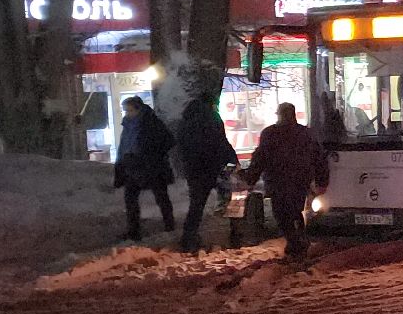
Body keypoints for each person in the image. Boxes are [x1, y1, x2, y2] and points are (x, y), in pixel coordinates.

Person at [243, 102, 330, 261]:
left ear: (279, 115)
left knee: (282, 215)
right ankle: (299, 241)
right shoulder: (306, 134)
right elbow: (320, 160)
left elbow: (259, 159)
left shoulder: (270, 134)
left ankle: (295, 243)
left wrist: (250, 178)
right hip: (300, 181)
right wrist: (322, 181)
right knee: (296, 211)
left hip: (277, 182)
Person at [176, 95, 237, 253]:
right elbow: (221, 142)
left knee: (196, 205)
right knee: (229, 200)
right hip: (214, 167)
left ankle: (188, 238)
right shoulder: (212, 118)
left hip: (194, 170)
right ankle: (233, 234)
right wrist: (232, 160)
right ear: (211, 104)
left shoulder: (185, 121)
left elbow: (181, 148)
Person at [113, 96, 176, 241]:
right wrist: (121, 164)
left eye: (129, 110)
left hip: (151, 166)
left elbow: (168, 141)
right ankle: (134, 231)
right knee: (131, 198)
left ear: (138, 109)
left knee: (160, 196)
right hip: (132, 165)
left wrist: (152, 154)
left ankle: (169, 225)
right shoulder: (128, 125)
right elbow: (124, 146)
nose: (127, 113)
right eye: (125, 110)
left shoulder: (151, 123)